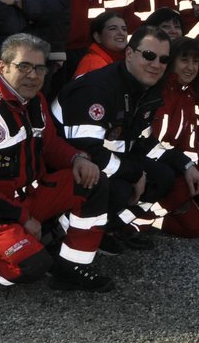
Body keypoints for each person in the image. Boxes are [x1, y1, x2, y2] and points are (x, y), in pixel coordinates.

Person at [0, 33, 114, 294]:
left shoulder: (34, 101)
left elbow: (52, 145)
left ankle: (70, 267)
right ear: (3, 67)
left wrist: (76, 158)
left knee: (94, 181)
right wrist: (23, 217)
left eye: (39, 68)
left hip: (27, 198)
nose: (33, 75)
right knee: (32, 267)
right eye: (24, 66)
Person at [53, 26, 185, 253]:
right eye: (149, 55)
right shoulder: (98, 89)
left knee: (164, 177)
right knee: (120, 188)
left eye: (163, 59)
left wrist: (186, 163)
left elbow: (142, 139)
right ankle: (60, 237)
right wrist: (134, 173)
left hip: (107, 159)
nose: (156, 64)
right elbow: (86, 149)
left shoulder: (147, 88)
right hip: (67, 164)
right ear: (130, 54)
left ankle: (110, 227)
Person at [138, 37, 199, 237]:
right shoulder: (154, 91)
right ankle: (133, 224)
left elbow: (189, 145)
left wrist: (191, 168)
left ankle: (150, 219)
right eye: (184, 60)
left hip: (174, 169)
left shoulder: (187, 96)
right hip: (148, 167)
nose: (191, 67)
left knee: (195, 228)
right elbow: (144, 142)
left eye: (195, 61)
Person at [75, 11, 129, 77]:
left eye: (124, 29)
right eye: (113, 29)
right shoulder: (93, 64)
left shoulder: (124, 60)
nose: (121, 33)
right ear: (97, 37)